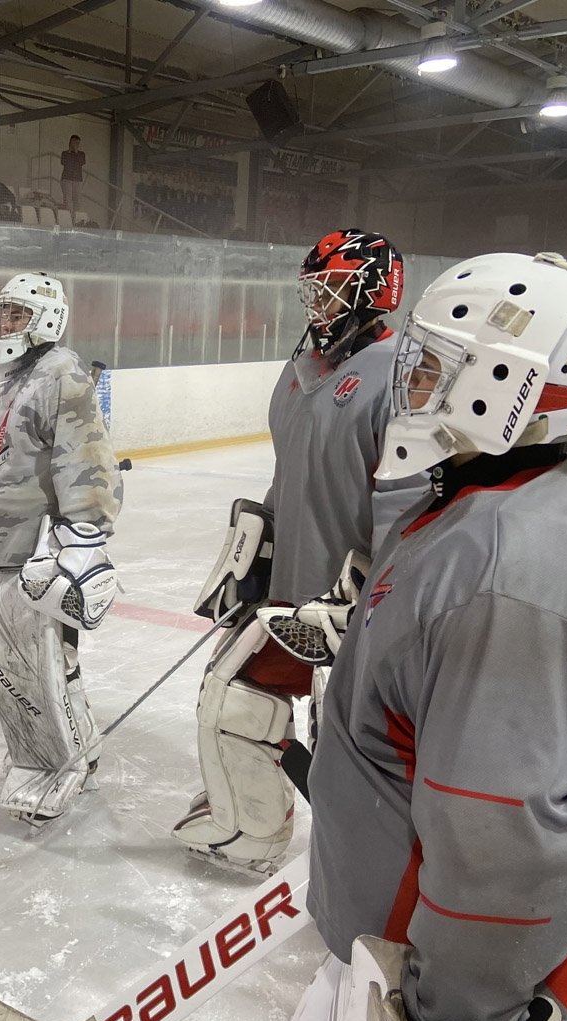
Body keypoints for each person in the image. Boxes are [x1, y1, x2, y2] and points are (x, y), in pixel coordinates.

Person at [261, 253, 567, 1021]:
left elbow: (512, 848)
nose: (413, 381)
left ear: (507, 387)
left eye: (439, 365)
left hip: (437, 996)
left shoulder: (502, 569)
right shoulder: (548, 491)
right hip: (415, 956)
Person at [174, 230, 414, 875]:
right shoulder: (301, 367)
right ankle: (255, 819)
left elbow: (411, 506)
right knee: (233, 694)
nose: (316, 303)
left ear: (371, 291)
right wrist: (256, 552)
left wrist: (376, 595)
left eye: (330, 288)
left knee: (352, 743)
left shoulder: (400, 376)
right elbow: (293, 475)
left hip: (359, 605)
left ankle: (371, 859)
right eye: (311, 289)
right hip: (291, 589)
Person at [0, 272, 121, 824]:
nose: (4, 322)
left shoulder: (61, 371)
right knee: (34, 662)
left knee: (38, 664)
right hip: (1, 541)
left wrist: (82, 534)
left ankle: (54, 761)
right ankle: (70, 747)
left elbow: (86, 454)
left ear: (46, 318)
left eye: (16, 314)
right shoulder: (1, 372)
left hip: (38, 549)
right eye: (3, 312)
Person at [59, 135, 85, 216]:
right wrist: (70, 151)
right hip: (67, 179)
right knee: (68, 201)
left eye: (77, 143)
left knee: (77, 201)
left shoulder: (81, 154)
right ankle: (68, 219)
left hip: (77, 180)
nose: (75, 144)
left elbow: (82, 162)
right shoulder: (65, 153)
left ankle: (76, 220)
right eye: (73, 142)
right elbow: (63, 162)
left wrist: (76, 152)